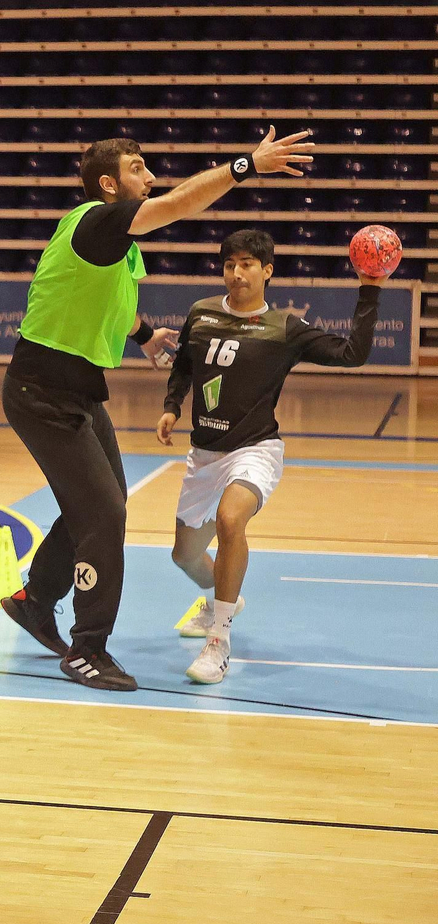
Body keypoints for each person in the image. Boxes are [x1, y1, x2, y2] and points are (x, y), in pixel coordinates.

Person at [0, 127, 314, 691]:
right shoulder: (97, 219)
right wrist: (246, 165)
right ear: (108, 183)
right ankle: (87, 649)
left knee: (103, 502)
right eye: (138, 168)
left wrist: (143, 334)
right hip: (41, 390)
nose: (149, 177)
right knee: (105, 515)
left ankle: (35, 598)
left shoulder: (111, 245)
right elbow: (175, 205)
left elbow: (103, 301)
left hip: (75, 387)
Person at [158, 228, 381, 683]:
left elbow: (353, 354)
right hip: (204, 453)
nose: (236, 273)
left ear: (267, 271)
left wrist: (370, 287)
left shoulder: (284, 327)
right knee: (184, 556)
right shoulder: (200, 313)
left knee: (230, 520)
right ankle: (225, 595)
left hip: (255, 448)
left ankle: (218, 639)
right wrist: (171, 406)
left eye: (246, 265)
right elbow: (185, 364)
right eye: (229, 265)